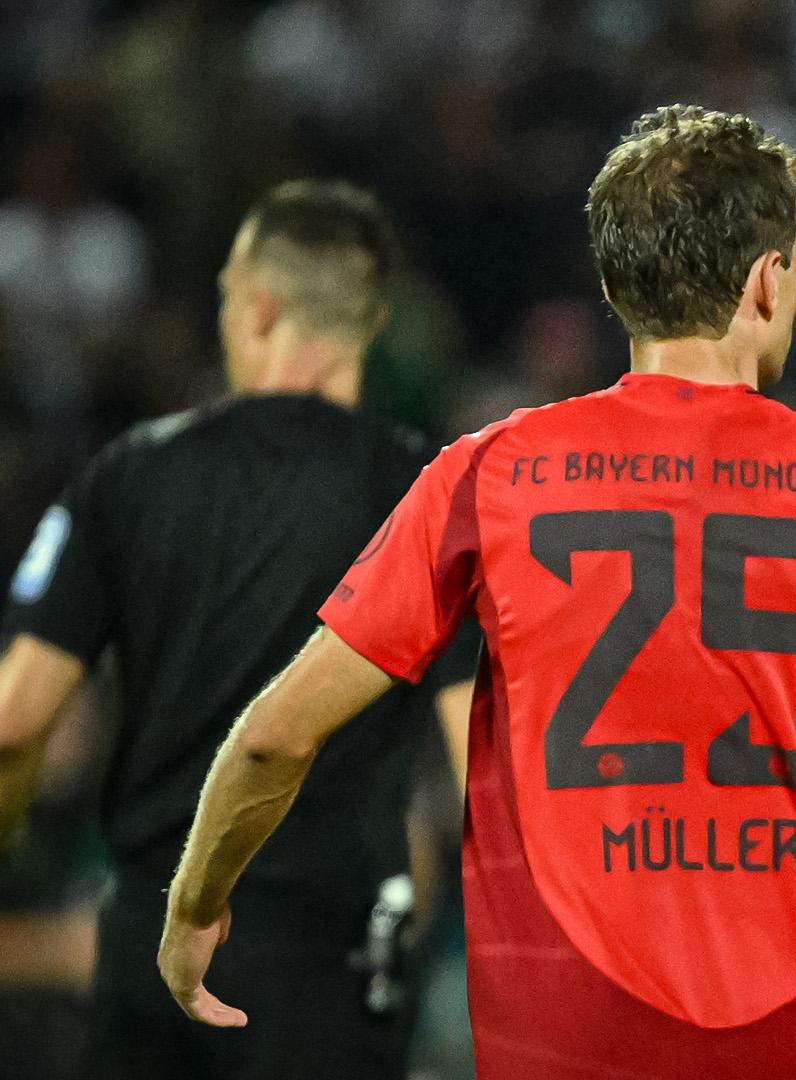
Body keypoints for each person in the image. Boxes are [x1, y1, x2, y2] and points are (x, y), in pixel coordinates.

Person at [159, 106, 796, 1080]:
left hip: (565, 1045)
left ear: (615, 285)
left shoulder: (489, 475)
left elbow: (275, 735)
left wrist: (194, 904)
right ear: (770, 280)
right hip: (792, 1043)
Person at [0, 179, 475, 1079]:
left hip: (153, 937)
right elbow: (477, 758)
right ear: (370, 322)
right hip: (337, 950)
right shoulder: (426, 493)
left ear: (256, 306)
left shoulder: (129, 477)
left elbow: (15, 719)